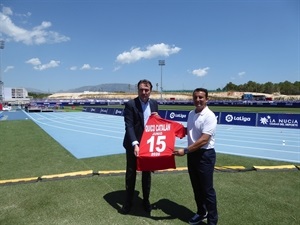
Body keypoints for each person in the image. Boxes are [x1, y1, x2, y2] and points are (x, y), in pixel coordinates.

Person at [174, 88, 218, 225]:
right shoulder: (191, 113)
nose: (198, 100)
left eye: (201, 97)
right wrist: (173, 129)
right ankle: (201, 212)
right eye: (195, 97)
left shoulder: (210, 116)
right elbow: (191, 131)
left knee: (207, 190)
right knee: (196, 187)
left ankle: (212, 221)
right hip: (193, 155)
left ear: (206, 99)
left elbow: (204, 139)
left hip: (205, 155)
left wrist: (185, 151)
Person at [121, 79, 159, 214]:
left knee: (146, 173)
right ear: (138, 90)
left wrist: (158, 118)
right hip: (133, 145)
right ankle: (128, 201)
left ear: (150, 91)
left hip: (148, 145)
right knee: (131, 173)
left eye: (146, 90)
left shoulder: (154, 104)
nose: (144, 92)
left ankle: (146, 200)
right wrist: (135, 143)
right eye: (141, 89)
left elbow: (156, 125)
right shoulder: (130, 104)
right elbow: (129, 125)